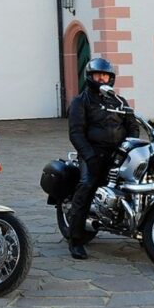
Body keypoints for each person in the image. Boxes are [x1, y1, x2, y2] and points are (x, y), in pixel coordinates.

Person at [66, 56, 138, 260]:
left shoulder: (118, 101)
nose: (102, 79)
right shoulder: (81, 101)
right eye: (98, 75)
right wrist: (89, 156)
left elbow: (132, 125)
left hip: (118, 154)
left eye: (105, 75)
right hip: (92, 153)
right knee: (86, 186)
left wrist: (129, 147)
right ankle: (76, 240)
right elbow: (76, 133)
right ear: (90, 77)